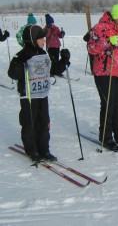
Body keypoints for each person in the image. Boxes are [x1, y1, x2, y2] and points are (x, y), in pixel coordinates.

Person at [8, 25, 70, 163]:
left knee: (44, 123)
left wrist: (64, 61)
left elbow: (53, 69)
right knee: (29, 123)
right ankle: (31, 150)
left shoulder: (43, 54)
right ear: (32, 39)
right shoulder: (22, 54)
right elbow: (13, 73)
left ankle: (44, 149)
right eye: (41, 38)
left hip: (42, 95)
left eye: (44, 38)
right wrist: (19, 64)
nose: (44, 40)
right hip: (29, 96)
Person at [87, 4, 118, 151]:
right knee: (108, 104)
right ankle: (106, 137)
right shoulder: (100, 28)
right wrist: (108, 42)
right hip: (104, 72)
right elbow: (91, 48)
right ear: (116, 16)